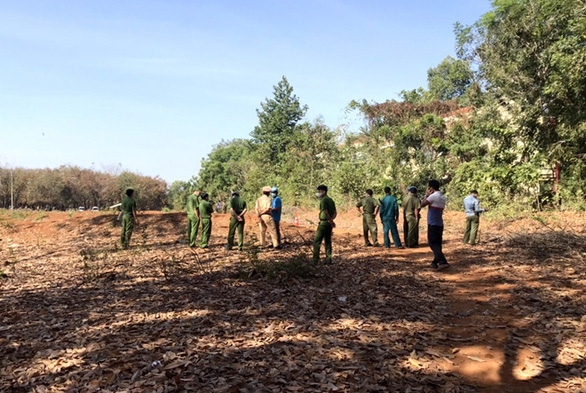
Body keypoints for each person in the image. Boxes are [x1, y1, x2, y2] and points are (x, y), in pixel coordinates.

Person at [421, 180, 449, 270]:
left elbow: (422, 204)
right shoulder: (442, 197)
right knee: (437, 243)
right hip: (439, 223)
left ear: (431, 188)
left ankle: (442, 262)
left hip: (432, 223)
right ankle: (434, 262)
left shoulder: (433, 197)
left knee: (432, 243)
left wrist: (426, 195)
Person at [312, 184, 337, 264]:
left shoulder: (324, 200)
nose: (318, 193)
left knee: (317, 241)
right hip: (329, 224)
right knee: (328, 241)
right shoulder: (331, 200)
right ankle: (328, 259)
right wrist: (332, 220)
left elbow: (325, 212)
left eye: (319, 191)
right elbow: (335, 212)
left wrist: (330, 220)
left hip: (323, 223)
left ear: (324, 191)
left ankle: (315, 260)